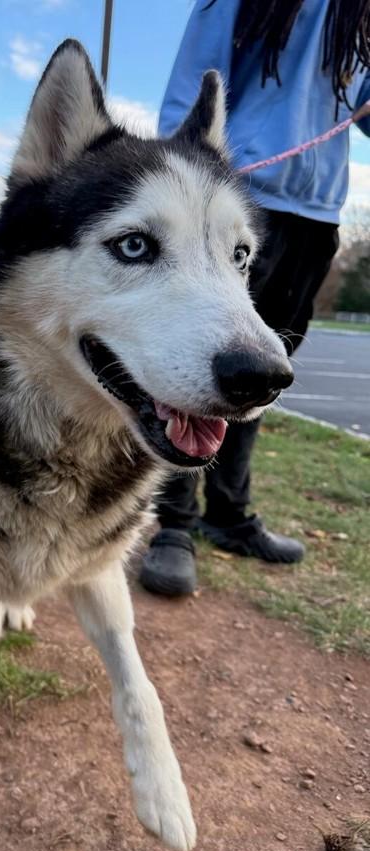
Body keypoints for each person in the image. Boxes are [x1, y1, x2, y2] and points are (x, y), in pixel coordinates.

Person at [140, 0, 370, 596]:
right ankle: (173, 525)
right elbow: (195, 81)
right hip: (236, 201)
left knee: (261, 373)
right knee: (194, 368)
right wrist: (179, 191)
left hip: (317, 214)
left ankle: (228, 514)